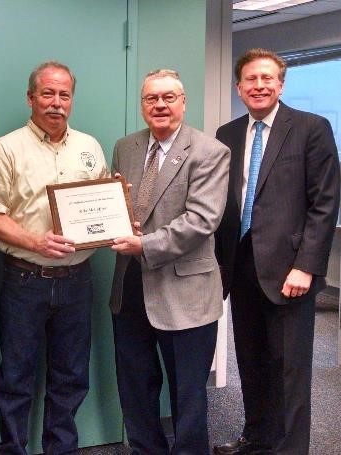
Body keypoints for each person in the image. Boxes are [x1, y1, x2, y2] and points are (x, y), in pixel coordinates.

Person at [0, 60, 108, 454]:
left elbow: (101, 206)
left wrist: (115, 213)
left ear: (72, 99)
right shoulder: (6, 148)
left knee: (71, 377)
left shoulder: (89, 147)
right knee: (16, 377)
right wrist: (36, 242)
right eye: (47, 94)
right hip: (24, 280)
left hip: (77, 281)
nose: (56, 103)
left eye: (64, 94)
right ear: (31, 98)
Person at [213, 48, 340, 455]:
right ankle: (257, 436)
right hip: (240, 264)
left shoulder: (310, 128)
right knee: (250, 362)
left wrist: (306, 266)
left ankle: (288, 449)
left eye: (267, 78)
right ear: (239, 87)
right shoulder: (227, 134)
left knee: (288, 369)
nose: (259, 86)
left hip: (290, 271)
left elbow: (324, 203)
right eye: (251, 79)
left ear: (281, 84)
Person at [109, 69, 230, 454]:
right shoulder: (125, 146)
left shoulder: (210, 151)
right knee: (135, 384)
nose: (159, 105)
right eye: (151, 99)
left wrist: (142, 244)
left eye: (168, 98)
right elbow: (116, 203)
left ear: (183, 102)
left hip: (185, 290)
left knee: (187, 393)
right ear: (142, 104)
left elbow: (201, 221)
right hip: (130, 287)